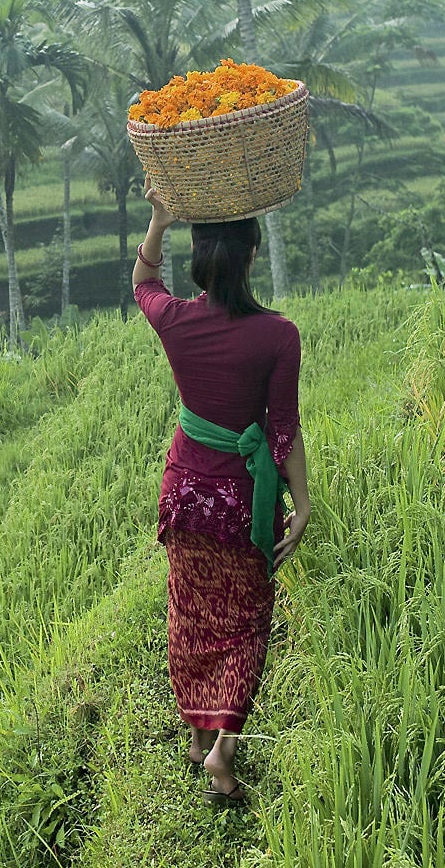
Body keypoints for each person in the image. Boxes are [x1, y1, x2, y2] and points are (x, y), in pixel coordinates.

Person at [132, 177, 311, 805]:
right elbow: (282, 431)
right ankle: (222, 753)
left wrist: (158, 217)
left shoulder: (177, 322)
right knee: (245, 623)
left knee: (191, 612)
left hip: (184, 496)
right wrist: (304, 505)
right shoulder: (278, 336)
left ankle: (193, 732)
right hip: (240, 503)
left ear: (203, 260)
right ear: (253, 256)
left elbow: (143, 284)